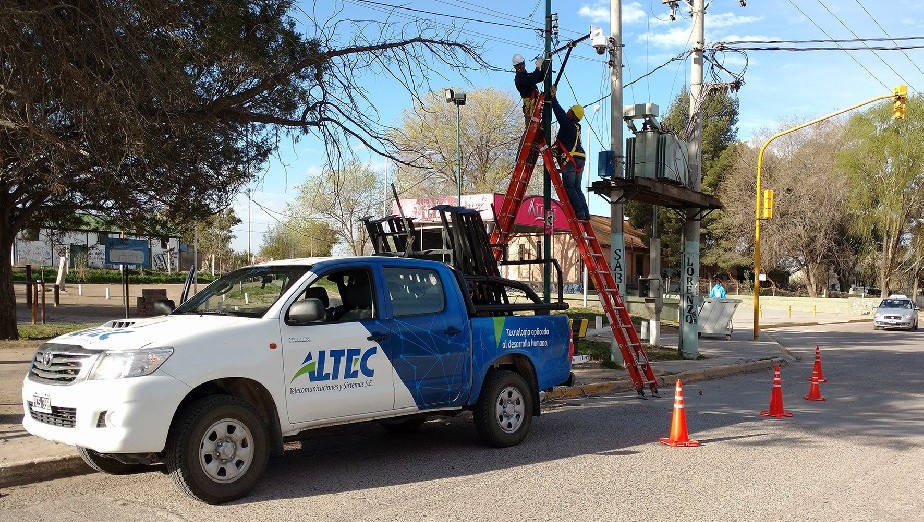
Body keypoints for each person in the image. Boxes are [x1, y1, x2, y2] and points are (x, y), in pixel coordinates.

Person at [550, 92, 589, 221]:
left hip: (571, 160)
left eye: (570, 110)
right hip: (579, 159)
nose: (567, 111)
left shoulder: (568, 124)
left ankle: (579, 212)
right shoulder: (577, 127)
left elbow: (559, 112)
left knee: (569, 187)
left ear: (572, 114)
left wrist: (553, 97)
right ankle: (585, 213)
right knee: (577, 187)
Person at [513, 53, 546, 127]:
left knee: (538, 128)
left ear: (524, 64)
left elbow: (540, 77)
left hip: (535, 106)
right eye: (517, 66)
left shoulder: (527, 75)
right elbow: (532, 80)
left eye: (521, 64)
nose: (519, 67)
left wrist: (543, 67)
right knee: (531, 129)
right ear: (514, 67)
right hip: (530, 109)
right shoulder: (519, 78)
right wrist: (537, 67)